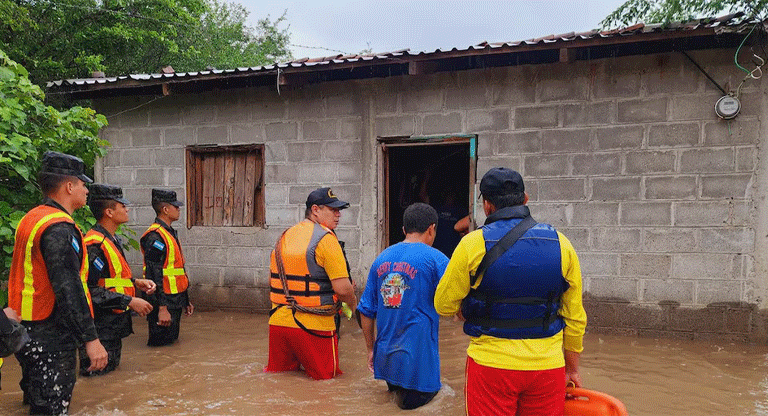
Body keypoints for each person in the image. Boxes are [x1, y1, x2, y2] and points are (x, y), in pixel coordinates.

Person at [434, 167, 587, 416]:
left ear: (486, 205)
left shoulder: (472, 244)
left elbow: (443, 305)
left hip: (491, 368)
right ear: (525, 199)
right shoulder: (562, 244)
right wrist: (572, 370)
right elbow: (575, 317)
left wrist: (465, 310)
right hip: (547, 368)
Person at [7, 151, 108, 415]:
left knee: (36, 400)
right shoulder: (59, 227)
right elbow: (68, 288)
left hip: (24, 329)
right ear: (69, 186)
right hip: (50, 334)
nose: (87, 189)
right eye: (83, 184)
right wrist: (91, 339)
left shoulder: (31, 218)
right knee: (52, 407)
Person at [358, 203, 449, 410]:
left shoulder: (381, 258)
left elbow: (365, 311)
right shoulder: (436, 259)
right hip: (419, 364)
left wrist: (370, 349)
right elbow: (456, 299)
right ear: (431, 229)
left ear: (403, 230)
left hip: (388, 360)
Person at [266, 187, 357, 380]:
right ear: (315, 210)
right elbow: (342, 289)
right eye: (333, 209)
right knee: (326, 384)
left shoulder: (285, 236)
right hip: (314, 327)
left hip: (278, 325)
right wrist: (352, 303)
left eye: (339, 210)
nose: (338, 214)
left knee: (280, 382)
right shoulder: (326, 239)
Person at [80, 184, 156, 375]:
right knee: (96, 379)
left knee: (109, 379)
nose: (127, 209)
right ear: (109, 212)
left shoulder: (111, 240)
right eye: (122, 206)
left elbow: (108, 280)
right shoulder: (95, 245)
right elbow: (90, 289)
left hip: (112, 326)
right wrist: (129, 300)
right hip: (100, 328)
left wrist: (135, 283)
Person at [141, 188, 193, 347]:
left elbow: (178, 270)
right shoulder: (155, 236)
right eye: (175, 207)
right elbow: (153, 274)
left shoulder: (169, 232)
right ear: (165, 209)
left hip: (175, 298)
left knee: (171, 343)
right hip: (163, 300)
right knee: (160, 346)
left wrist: (186, 300)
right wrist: (162, 308)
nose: (179, 210)